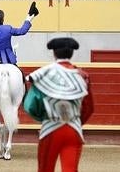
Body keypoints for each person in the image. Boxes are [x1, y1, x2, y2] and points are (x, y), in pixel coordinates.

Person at [24, 37, 94, 172]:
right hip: (73, 129)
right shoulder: (82, 76)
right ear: (72, 53)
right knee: (70, 169)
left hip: (51, 128)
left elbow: (30, 105)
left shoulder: (43, 74)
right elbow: (89, 108)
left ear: (54, 53)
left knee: (45, 169)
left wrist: (43, 118)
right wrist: (76, 122)